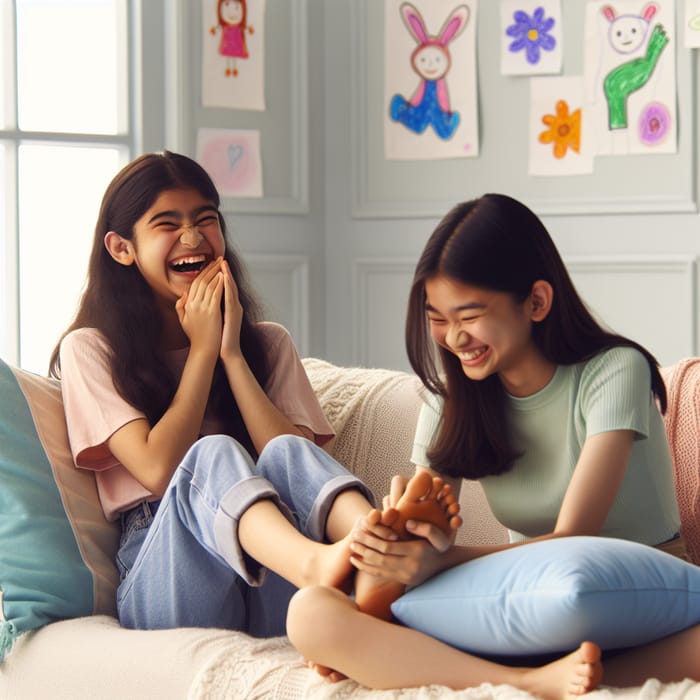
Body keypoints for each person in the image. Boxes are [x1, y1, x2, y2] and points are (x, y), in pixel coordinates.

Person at [50, 155, 603, 699]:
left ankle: (377, 547)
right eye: (167, 224)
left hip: (271, 578)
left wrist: (233, 355)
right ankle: (332, 563)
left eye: (207, 218)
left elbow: (289, 463)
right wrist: (201, 352)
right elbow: (157, 470)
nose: (193, 236)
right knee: (214, 452)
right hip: (169, 576)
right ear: (121, 248)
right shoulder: (91, 349)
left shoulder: (266, 344)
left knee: (286, 452)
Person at [326, 193, 699, 690]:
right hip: (522, 598)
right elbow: (407, 565)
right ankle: (532, 681)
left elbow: (575, 538)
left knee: (576, 596)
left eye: (469, 315)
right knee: (312, 613)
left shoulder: (614, 371)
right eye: (438, 318)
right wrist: (393, 542)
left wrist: (441, 560)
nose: (454, 338)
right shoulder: (452, 397)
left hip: (634, 590)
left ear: (537, 302)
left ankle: (528, 674)